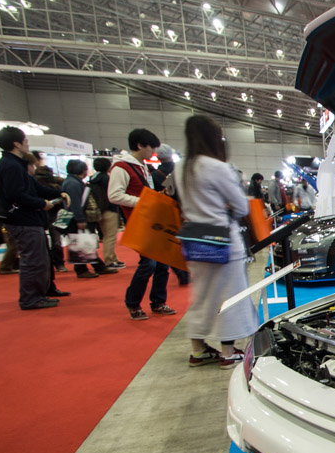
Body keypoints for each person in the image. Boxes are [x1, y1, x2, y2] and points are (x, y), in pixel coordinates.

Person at [175, 115, 258, 369]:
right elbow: (241, 206)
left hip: (193, 240)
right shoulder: (218, 167)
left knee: (200, 296)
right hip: (223, 241)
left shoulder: (180, 167)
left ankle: (198, 350)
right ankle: (228, 352)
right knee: (229, 296)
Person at [0, 126, 68, 309]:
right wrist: (42, 203)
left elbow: (35, 188)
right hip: (22, 220)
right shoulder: (10, 166)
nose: (27, 144)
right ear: (16, 144)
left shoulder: (15, 164)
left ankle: (42, 291)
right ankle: (30, 298)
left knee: (40, 258)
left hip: (28, 219)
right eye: (25, 141)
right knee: (33, 260)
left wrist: (58, 193)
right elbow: (16, 195)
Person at [108, 128, 175, 321]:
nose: (153, 152)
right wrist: (144, 201)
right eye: (151, 148)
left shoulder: (142, 167)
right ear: (139, 145)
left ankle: (158, 302)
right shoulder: (122, 167)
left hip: (152, 221)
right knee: (148, 264)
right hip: (139, 222)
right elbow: (114, 195)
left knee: (162, 263)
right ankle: (133, 303)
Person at [62, 159, 116, 278]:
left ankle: (98, 267)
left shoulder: (72, 182)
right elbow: (75, 203)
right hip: (78, 217)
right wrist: (80, 219)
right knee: (81, 243)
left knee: (85, 242)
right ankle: (83, 270)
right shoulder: (73, 184)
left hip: (79, 216)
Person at [150, 145, 190, 287]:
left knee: (169, 243)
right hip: (185, 211)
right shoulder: (182, 170)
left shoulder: (154, 175)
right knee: (186, 242)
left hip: (165, 211)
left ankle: (179, 270)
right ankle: (187, 269)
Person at [89, 157, 123, 268]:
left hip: (100, 210)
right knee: (110, 237)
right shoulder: (106, 179)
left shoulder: (93, 179)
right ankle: (109, 260)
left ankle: (113, 258)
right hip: (109, 209)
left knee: (107, 236)